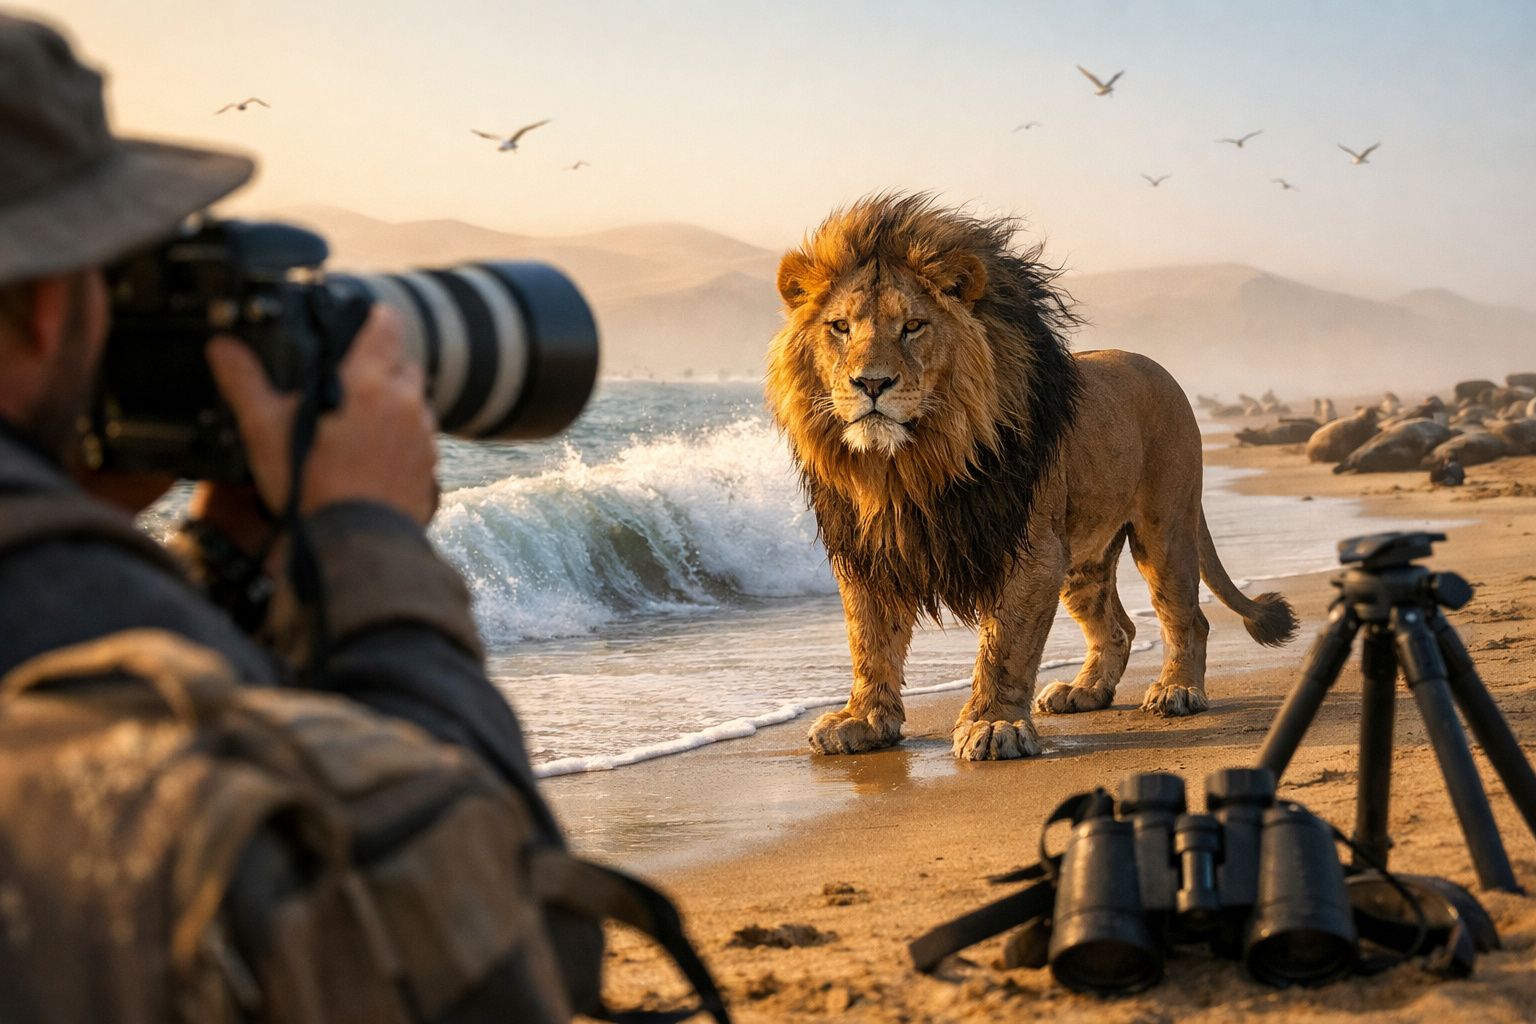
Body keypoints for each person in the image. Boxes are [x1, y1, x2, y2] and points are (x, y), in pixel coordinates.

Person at [0, 13, 565, 848]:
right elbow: (503, 931)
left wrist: (222, 555)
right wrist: (365, 540)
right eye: (112, 278)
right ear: (50, 309)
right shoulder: (50, 597)